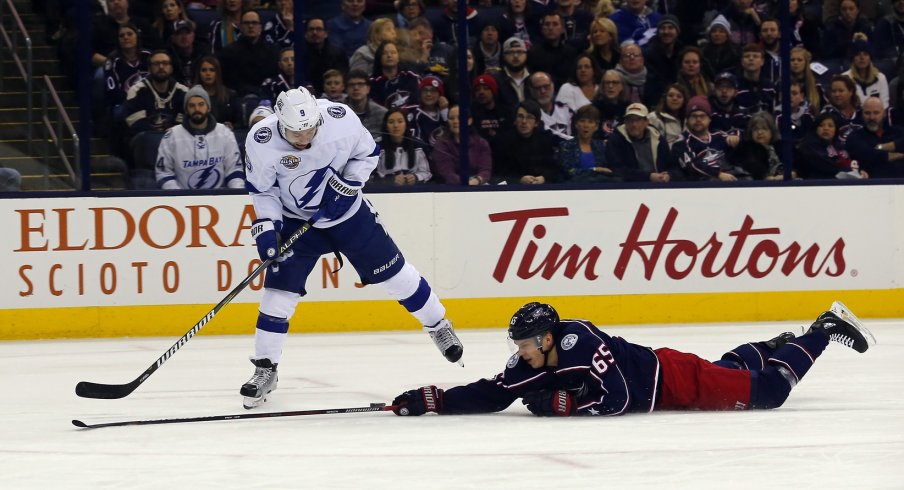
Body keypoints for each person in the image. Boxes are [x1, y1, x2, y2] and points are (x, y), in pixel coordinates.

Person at [240, 87, 463, 409]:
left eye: (309, 130)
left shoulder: (340, 119)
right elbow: (262, 191)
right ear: (278, 123)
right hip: (295, 220)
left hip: (348, 216)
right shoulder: (260, 140)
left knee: (396, 277)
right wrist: (267, 229)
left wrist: (348, 187)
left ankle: (439, 325)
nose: (303, 139)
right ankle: (265, 369)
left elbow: (367, 154)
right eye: (294, 132)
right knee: (278, 293)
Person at [390, 300, 875, 417]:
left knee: (768, 392)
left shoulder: (579, 342)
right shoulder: (535, 360)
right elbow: (493, 392)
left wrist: (564, 406)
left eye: (524, 344)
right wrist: (431, 399)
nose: (518, 354)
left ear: (547, 339)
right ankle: (773, 347)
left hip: (671, 381)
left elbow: (622, 399)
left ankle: (821, 331)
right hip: (665, 367)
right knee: (732, 370)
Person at [155, 85, 244, 189]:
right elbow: (164, 173)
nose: (197, 109)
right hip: (182, 200)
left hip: (220, 200)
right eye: (192, 105)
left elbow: (234, 171)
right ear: (186, 110)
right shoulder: (171, 136)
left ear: (208, 107)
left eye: (201, 104)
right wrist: (177, 198)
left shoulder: (225, 133)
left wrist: (235, 197)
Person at [670, 95, 745, 181]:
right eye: (694, 116)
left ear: (709, 119)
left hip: (729, 176)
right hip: (702, 184)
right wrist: (718, 174)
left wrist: (737, 138)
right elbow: (691, 165)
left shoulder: (720, 136)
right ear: (687, 120)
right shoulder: (681, 142)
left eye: (702, 116)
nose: (698, 119)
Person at [492, 100, 564, 185]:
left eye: (529, 117)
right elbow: (498, 174)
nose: (524, 121)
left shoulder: (545, 139)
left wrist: (544, 178)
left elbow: (555, 169)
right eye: (520, 116)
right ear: (515, 120)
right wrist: (519, 180)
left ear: (536, 123)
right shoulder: (503, 141)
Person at [123, 49, 188, 135]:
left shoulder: (183, 92)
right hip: (146, 139)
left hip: (174, 139)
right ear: (149, 69)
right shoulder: (136, 91)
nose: (161, 67)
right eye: (156, 64)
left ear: (171, 68)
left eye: (165, 63)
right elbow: (136, 124)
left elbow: (183, 123)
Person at [605, 102, 674, 183]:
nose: (634, 124)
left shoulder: (658, 139)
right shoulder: (615, 140)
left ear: (646, 122)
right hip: (628, 187)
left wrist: (668, 175)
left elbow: (671, 166)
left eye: (638, 120)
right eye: (630, 120)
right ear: (625, 122)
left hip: (659, 185)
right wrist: (648, 177)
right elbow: (617, 170)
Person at [218, 10, 279, 97]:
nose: (250, 26)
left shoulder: (273, 51)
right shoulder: (228, 53)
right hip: (238, 97)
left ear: (260, 27)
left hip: (267, 96)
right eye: (246, 23)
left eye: (254, 23)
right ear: (240, 27)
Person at [431, 105, 493, 185]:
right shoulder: (441, 144)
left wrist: (476, 181)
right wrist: (466, 184)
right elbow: (447, 173)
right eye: (451, 118)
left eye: (460, 117)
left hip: (478, 185)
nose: (455, 121)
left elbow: (485, 170)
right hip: (450, 189)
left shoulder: (481, 143)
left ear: (469, 121)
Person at [556, 104, 618, 183]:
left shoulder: (602, 146)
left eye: (590, 122)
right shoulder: (566, 146)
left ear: (596, 126)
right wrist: (594, 169)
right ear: (576, 124)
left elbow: (610, 170)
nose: (586, 125)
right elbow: (568, 172)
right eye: (582, 121)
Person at [845, 96, 904, 177]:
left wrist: (885, 147)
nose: (872, 117)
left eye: (876, 113)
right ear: (862, 114)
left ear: (884, 114)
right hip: (870, 185)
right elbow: (869, 155)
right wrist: (900, 155)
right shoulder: (854, 137)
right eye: (867, 113)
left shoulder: (898, 132)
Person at [796, 112, 866, 179]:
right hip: (817, 184)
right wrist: (850, 171)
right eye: (821, 125)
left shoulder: (840, 147)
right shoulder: (809, 146)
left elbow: (851, 162)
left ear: (836, 129)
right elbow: (826, 165)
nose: (826, 128)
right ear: (816, 128)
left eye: (830, 126)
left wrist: (859, 171)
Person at [372, 108, 432, 185]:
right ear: (386, 126)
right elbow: (370, 176)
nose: (396, 125)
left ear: (406, 124)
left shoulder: (418, 145)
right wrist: (390, 180)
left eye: (400, 121)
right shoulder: (376, 147)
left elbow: (427, 173)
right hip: (384, 192)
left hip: (414, 192)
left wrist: (416, 177)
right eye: (391, 122)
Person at [299, 18, 349, 96]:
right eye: (311, 29)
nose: (314, 32)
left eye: (319, 29)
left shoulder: (338, 53)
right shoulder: (299, 55)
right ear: (306, 33)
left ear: (326, 33)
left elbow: (343, 77)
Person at [193, 55, 239, 129]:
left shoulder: (230, 95)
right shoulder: (193, 96)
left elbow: (239, 121)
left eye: (212, 70)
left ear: (217, 73)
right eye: (204, 70)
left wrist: (232, 125)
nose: (208, 73)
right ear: (199, 73)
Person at [841, 41, 890, 107]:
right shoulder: (844, 78)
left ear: (870, 58)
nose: (862, 58)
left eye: (866, 54)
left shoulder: (881, 77)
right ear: (853, 58)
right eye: (858, 54)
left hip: (876, 115)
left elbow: (884, 105)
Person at [345, 69, 387, 139]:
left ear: (368, 88)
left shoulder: (382, 114)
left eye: (360, 84)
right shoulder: (339, 113)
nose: (356, 88)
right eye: (352, 85)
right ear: (346, 89)